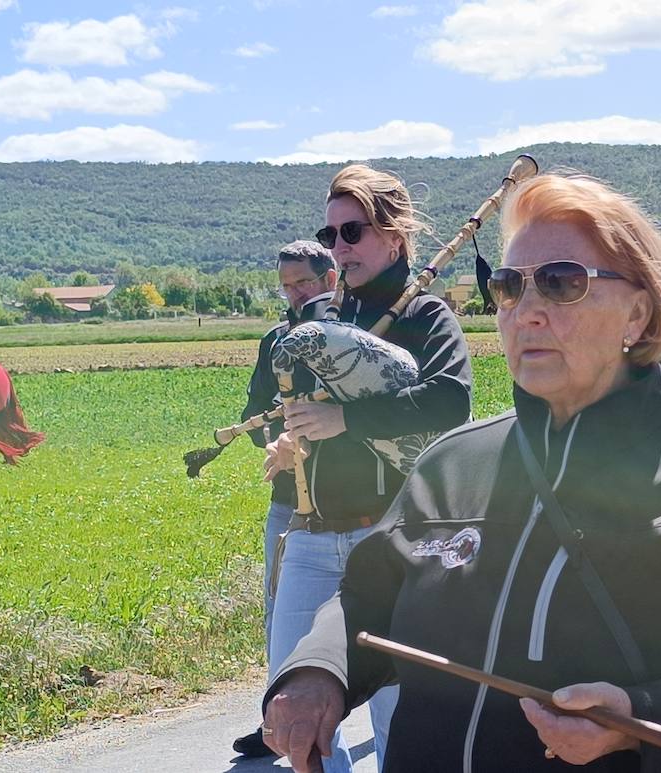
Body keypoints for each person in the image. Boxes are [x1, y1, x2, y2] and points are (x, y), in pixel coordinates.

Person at [260, 173, 661, 773]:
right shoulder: (451, 465)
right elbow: (366, 599)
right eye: (509, 287)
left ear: (637, 314)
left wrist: (638, 718)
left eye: (562, 284)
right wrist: (318, 671)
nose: (526, 312)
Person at [264, 165, 474, 770]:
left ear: (394, 236)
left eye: (351, 232)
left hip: (393, 537)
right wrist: (290, 439)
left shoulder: (425, 317)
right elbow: (299, 407)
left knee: (397, 723)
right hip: (310, 534)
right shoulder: (324, 319)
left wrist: (348, 422)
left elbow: (449, 399)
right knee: (293, 718)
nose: (339, 248)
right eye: (329, 236)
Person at [230, 240, 339, 758]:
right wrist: (271, 438)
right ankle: (278, 727)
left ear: (330, 282)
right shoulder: (276, 341)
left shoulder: (348, 341)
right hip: (287, 501)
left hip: (346, 499)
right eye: (287, 286)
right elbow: (255, 411)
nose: (294, 295)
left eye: (303, 284)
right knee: (281, 613)